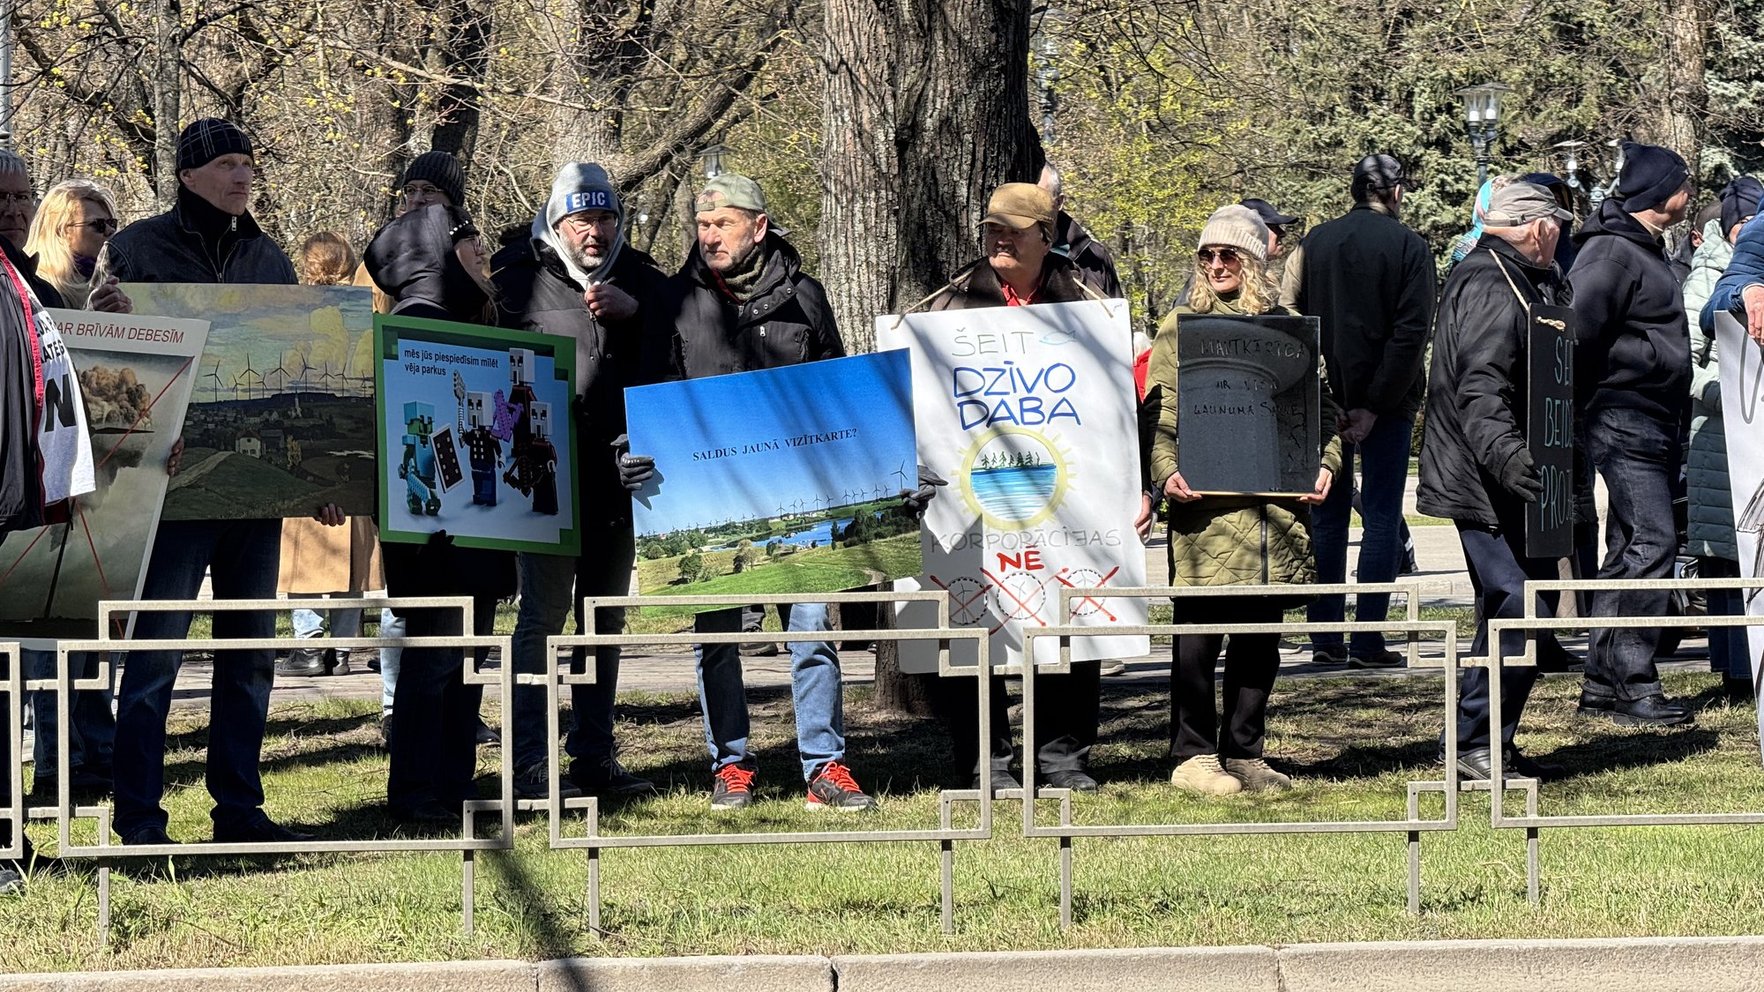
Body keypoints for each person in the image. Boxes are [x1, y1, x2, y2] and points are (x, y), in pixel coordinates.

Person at [629, 174, 876, 812]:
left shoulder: (806, 299)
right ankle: (731, 765)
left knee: (811, 631)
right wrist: (627, 455)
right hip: (706, 500)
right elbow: (648, 395)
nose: (709, 236)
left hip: (798, 500)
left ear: (758, 228)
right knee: (717, 637)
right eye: (703, 226)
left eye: (723, 225)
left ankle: (825, 767)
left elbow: (838, 397)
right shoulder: (672, 300)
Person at [100, 119, 309, 847]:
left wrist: (321, 473)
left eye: (248, 163)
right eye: (226, 163)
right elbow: (107, 361)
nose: (241, 175)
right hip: (171, 491)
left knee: (250, 654)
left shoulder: (268, 258)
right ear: (188, 175)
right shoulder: (135, 251)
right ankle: (138, 817)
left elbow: (294, 367)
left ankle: (240, 812)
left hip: (259, 499)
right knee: (154, 658)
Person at [921, 181, 1111, 792]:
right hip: (974, 493)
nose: (999, 239)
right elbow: (916, 402)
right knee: (971, 625)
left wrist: (1137, 490)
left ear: (1046, 236)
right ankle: (986, 763)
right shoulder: (944, 309)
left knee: (1071, 612)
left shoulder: (1092, 307)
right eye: (991, 229)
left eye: (1014, 230)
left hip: (1067, 491)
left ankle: (1061, 758)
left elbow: (1122, 405)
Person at [1142, 204, 1338, 794]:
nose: (1217, 264)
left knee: (1261, 634)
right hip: (1206, 504)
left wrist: (1324, 464)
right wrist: (1165, 469)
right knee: (1198, 634)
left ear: (1255, 260)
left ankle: (1246, 751)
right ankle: (1192, 755)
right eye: (1207, 255)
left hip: (1275, 510)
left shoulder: (1290, 327)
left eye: (1229, 254)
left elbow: (1321, 412)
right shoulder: (1181, 326)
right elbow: (1160, 406)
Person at [493, 162, 673, 800]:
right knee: (541, 620)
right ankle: (530, 764)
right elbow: (489, 381)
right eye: (581, 219)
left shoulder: (648, 283)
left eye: (604, 219)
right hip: (541, 484)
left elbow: (674, 367)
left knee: (603, 622)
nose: (593, 232)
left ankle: (595, 756)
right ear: (556, 221)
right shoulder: (515, 282)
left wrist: (635, 315)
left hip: (619, 484)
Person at [1416, 179, 1575, 780]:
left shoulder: (1517, 276)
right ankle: (1475, 745)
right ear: (1535, 227)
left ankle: (1482, 741)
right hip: (1485, 478)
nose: (1560, 233)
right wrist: (1510, 459)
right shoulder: (1489, 280)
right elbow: (1479, 388)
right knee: (1517, 602)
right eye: (1555, 223)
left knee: (1513, 605)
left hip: (1508, 475)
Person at [364, 203, 517, 822]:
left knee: (465, 658)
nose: (481, 257)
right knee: (433, 661)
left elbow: (496, 419)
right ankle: (418, 791)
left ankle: (453, 781)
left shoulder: (465, 319)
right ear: (436, 257)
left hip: (473, 521)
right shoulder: (415, 326)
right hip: (432, 532)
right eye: (469, 245)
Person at [1570, 141, 1697, 727]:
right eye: (1684, 183)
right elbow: (1576, 333)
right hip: (1622, 414)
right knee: (1654, 543)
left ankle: (1602, 681)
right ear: (1661, 193)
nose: (1691, 194)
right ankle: (1634, 682)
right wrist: (1636, 363)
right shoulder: (1611, 254)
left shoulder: (1641, 248)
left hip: (1651, 415)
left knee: (1628, 548)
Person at [17, 177, 133, 799]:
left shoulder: (102, 292)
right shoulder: (35, 291)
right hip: (46, 480)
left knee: (92, 629)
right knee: (46, 637)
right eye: (97, 225)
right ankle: (51, 765)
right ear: (62, 227)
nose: (106, 237)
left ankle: (92, 748)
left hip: (101, 477)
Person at [1296, 153, 1436, 669]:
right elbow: (1410, 334)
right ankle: (1369, 639)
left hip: (1325, 400)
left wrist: (1323, 396)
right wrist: (1375, 405)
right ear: (1396, 192)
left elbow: (1292, 323)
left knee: (1327, 516)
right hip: (1388, 404)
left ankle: (1326, 638)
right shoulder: (1409, 246)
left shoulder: (1315, 243)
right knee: (1379, 517)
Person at [0, 199, 97, 892]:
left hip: (17, 505)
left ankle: (8, 837)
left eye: (19, 197)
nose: (9, 208)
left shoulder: (23, 283)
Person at [278, 232, 380, 679]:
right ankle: (341, 648)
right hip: (356, 436)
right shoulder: (367, 314)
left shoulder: (298, 314)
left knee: (304, 549)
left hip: (308, 431)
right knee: (351, 552)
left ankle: (308, 645)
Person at [1685, 178, 1760, 700]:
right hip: (1728, 430)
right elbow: (1687, 358)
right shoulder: (1711, 273)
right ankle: (1736, 671)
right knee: (1732, 558)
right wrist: (1729, 398)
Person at [1037, 162, 1123, 298]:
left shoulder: (1094, 258)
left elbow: (1116, 316)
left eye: (1038, 198)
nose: (1029, 207)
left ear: (1059, 202)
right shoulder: (1003, 255)